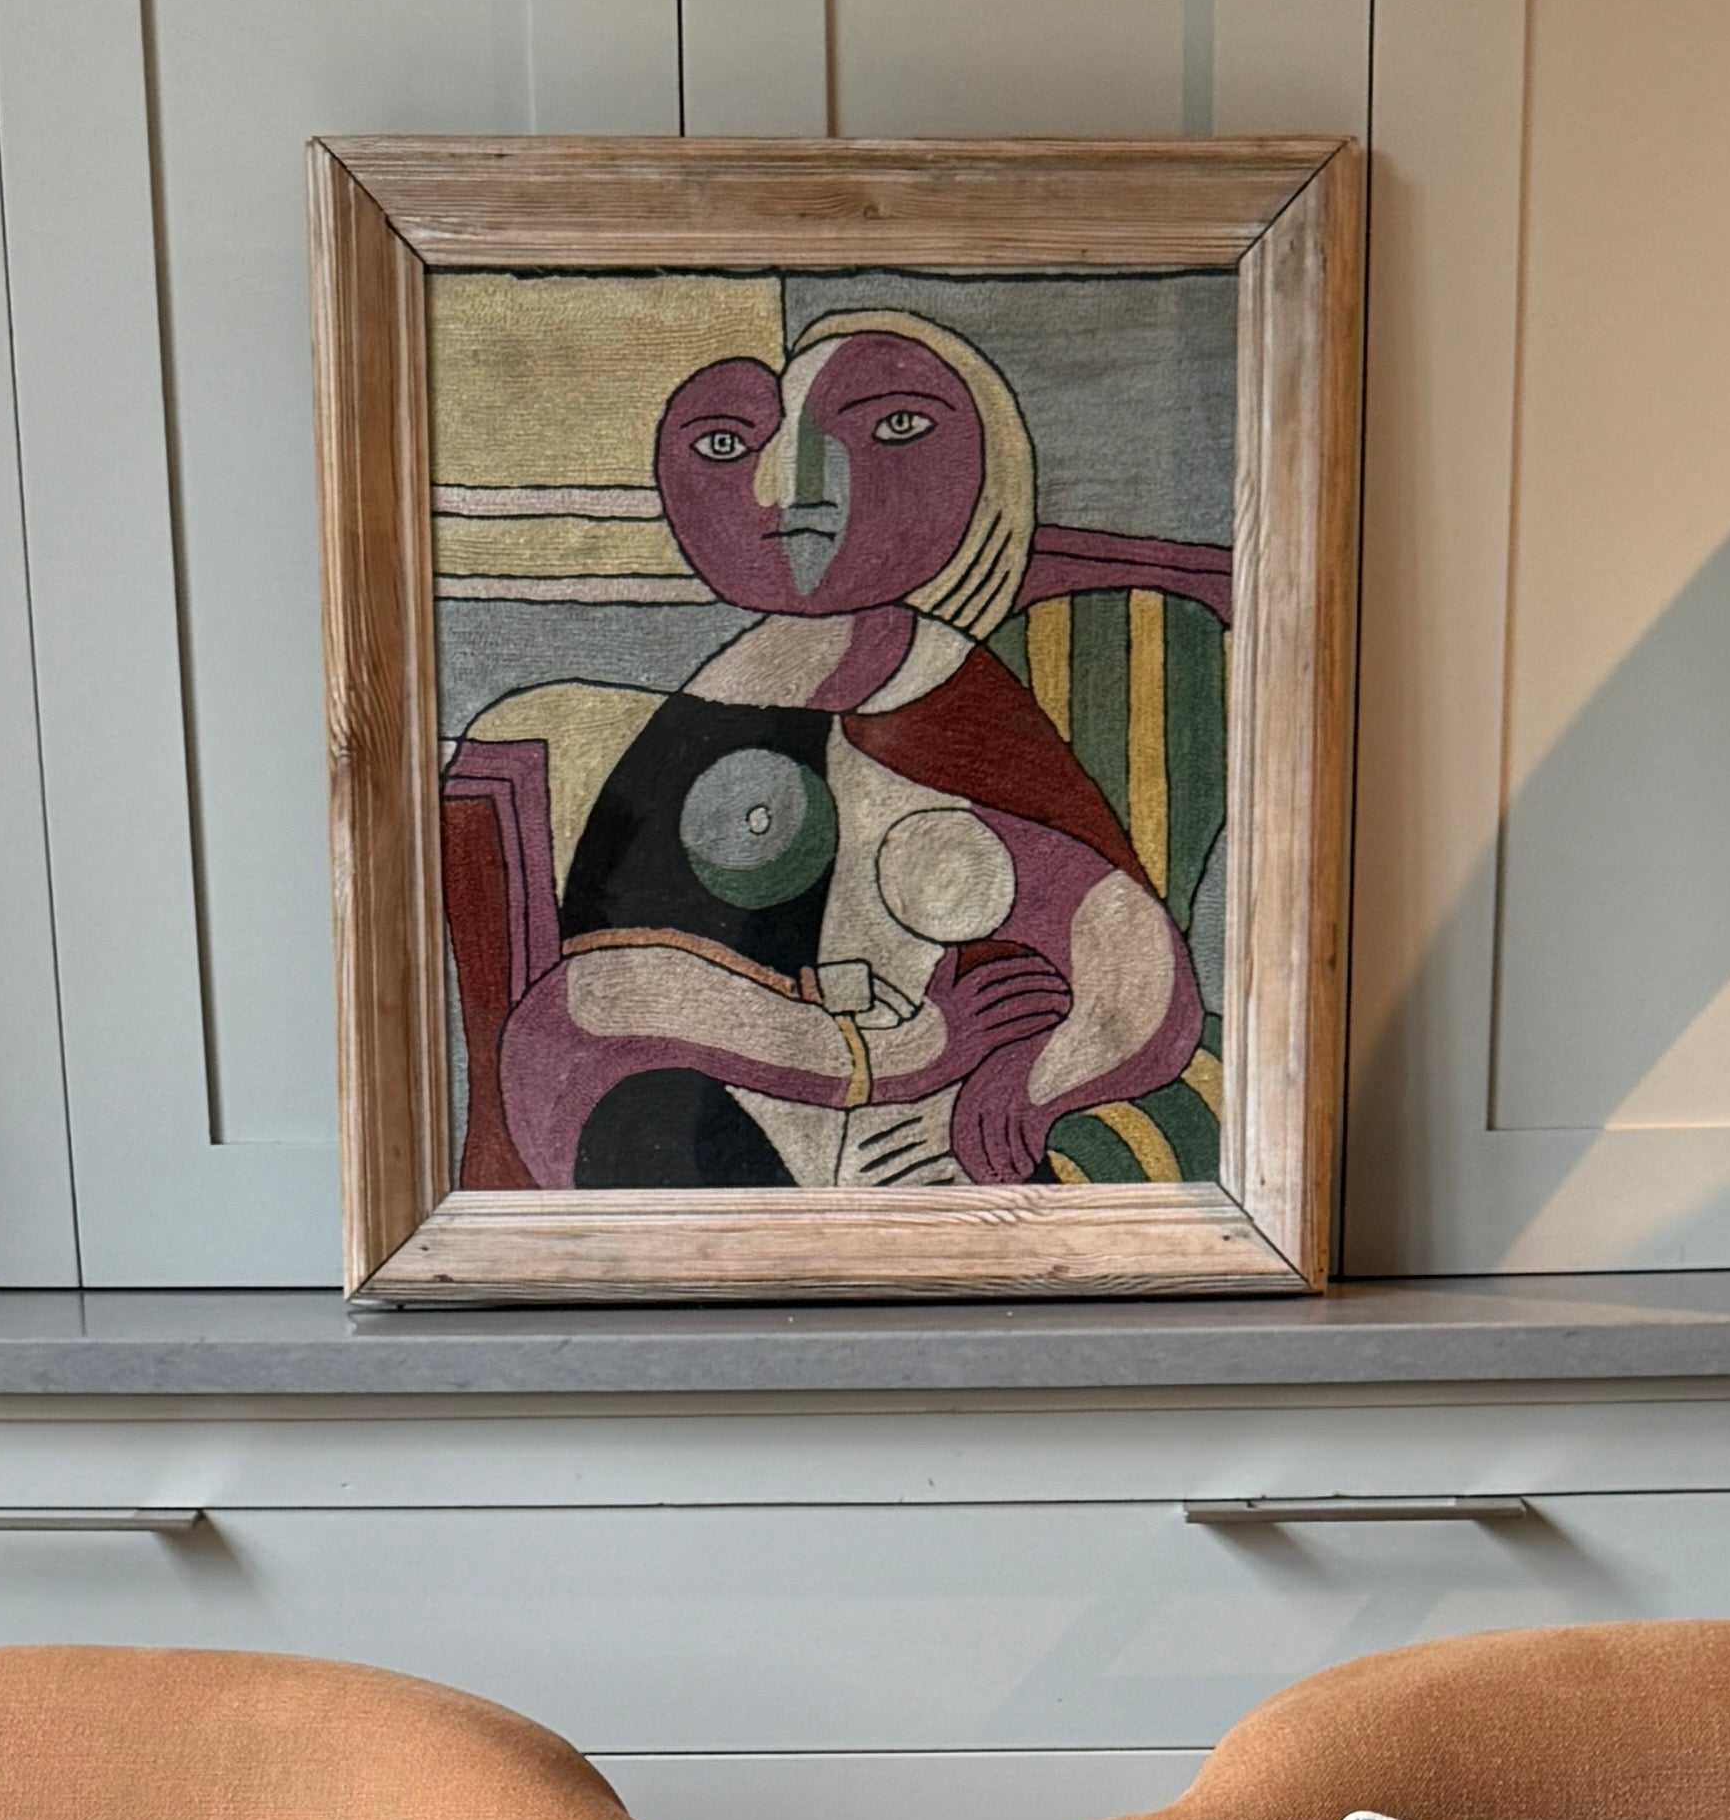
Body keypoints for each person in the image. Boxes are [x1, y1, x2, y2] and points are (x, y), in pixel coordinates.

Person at [459, 311, 1205, 1194]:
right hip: (708, 1123)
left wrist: (1024, 1088)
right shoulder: (709, 707)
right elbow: (598, 1002)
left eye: (892, 428)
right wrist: (890, 1052)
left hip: (905, 1154)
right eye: (729, 443)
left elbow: (1134, 966)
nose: (790, 490)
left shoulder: (947, 702)